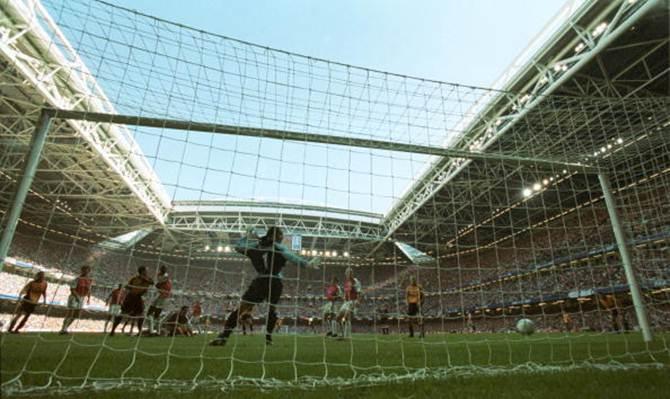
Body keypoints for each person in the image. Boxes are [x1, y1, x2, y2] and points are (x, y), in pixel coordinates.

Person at [210, 226, 319, 346]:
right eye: (280, 235)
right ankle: (268, 338)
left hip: (261, 281)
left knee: (242, 308)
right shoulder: (278, 247)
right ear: (275, 236)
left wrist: (248, 237)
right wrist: (307, 264)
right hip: (275, 283)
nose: (282, 238)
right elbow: (292, 257)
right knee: (271, 310)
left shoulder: (256, 246)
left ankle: (224, 336)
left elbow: (238, 247)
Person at [109, 266, 154, 336]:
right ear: (142, 271)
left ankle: (140, 332)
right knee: (122, 313)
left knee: (141, 315)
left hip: (138, 298)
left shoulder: (148, 278)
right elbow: (128, 286)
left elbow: (152, 282)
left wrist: (144, 281)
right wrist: (132, 287)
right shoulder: (134, 278)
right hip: (131, 297)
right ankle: (112, 331)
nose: (147, 272)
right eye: (146, 270)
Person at [60, 265, 93, 334]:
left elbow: (89, 290)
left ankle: (65, 328)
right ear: (82, 270)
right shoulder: (77, 279)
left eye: (87, 270)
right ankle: (63, 329)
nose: (86, 272)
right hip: (74, 297)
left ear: (89, 271)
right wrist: (77, 297)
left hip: (82, 298)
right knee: (70, 313)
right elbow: (72, 289)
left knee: (76, 315)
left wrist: (88, 298)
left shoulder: (89, 280)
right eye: (84, 270)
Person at [337, 267, 362, 339]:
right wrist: (343, 297)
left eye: (349, 273)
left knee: (346, 317)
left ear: (352, 273)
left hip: (352, 301)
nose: (348, 274)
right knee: (338, 318)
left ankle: (346, 336)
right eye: (347, 273)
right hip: (346, 302)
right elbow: (345, 293)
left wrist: (358, 301)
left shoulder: (355, 281)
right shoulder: (346, 283)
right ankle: (342, 334)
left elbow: (359, 292)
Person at [147, 265, 172, 336]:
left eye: (164, 269)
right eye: (162, 269)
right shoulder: (162, 276)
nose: (162, 270)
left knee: (154, 314)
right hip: (161, 296)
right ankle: (155, 331)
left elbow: (159, 283)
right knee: (152, 314)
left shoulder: (165, 276)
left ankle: (153, 331)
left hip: (163, 297)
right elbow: (159, 284)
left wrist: (152, 282)